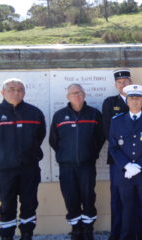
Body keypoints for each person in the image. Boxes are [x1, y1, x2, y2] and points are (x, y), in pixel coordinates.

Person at [49, 84, 105, 240]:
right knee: (70, 196)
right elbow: (53, 140)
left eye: (79, 93)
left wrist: (90, 153)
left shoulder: (94, 114)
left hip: (87, 165)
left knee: (88, 196)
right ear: (68, 96)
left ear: (84, 94)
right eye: (73, 93)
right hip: (66, 166)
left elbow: (100, 138)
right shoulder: (59, 116)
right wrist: (65, 155)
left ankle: (88, 229)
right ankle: (76, 228)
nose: (77, 95)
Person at [102, 69, 142, 240]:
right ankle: (117, 233)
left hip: (140, 162)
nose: (123, 84)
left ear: (131, 83)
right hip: (118, 161)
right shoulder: (110, 103)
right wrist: (125, 162)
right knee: (117, 198)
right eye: (120, 82)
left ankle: (137, 232)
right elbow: (108, 132)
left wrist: (137, 162)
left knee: (139, 199)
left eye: (126, 81)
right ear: (116, 85)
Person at [108, 84, 142, 240]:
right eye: (132, 98)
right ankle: (127, 237)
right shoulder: (116, 121)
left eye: (138, 99)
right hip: (124, 173)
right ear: (127, 101)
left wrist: (138, 166)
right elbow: (113, 147)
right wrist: (127, 165)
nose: (135, 102)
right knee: (126, 208)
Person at [0, 78, 46, 240]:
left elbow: (40, 136)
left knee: (29, 204)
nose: (16, 92)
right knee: (5, 205)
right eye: (11, 89)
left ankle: (27, 234)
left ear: (24, 93)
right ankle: (6, 236)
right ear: (2, 92)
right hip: (3, 171)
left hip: (29, 169)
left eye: (20, 89)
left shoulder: (34, 113)